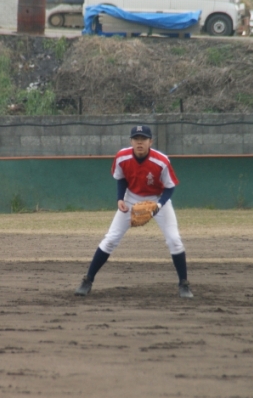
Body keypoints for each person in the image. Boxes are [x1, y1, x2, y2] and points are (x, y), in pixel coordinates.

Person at [75, 125, 193, 298]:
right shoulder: (122, 157)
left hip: (158, 199)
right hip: (131, 197)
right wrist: (120, 199)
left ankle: (184, 284)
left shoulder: (161, 161)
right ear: (131, 141)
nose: (139, 142)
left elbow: (170, 187)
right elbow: (121, 179)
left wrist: (159, 205)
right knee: (110, 239)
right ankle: (87, 281)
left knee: (174, 240)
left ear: (150, 142)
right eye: (136, 139)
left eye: (143, 139)